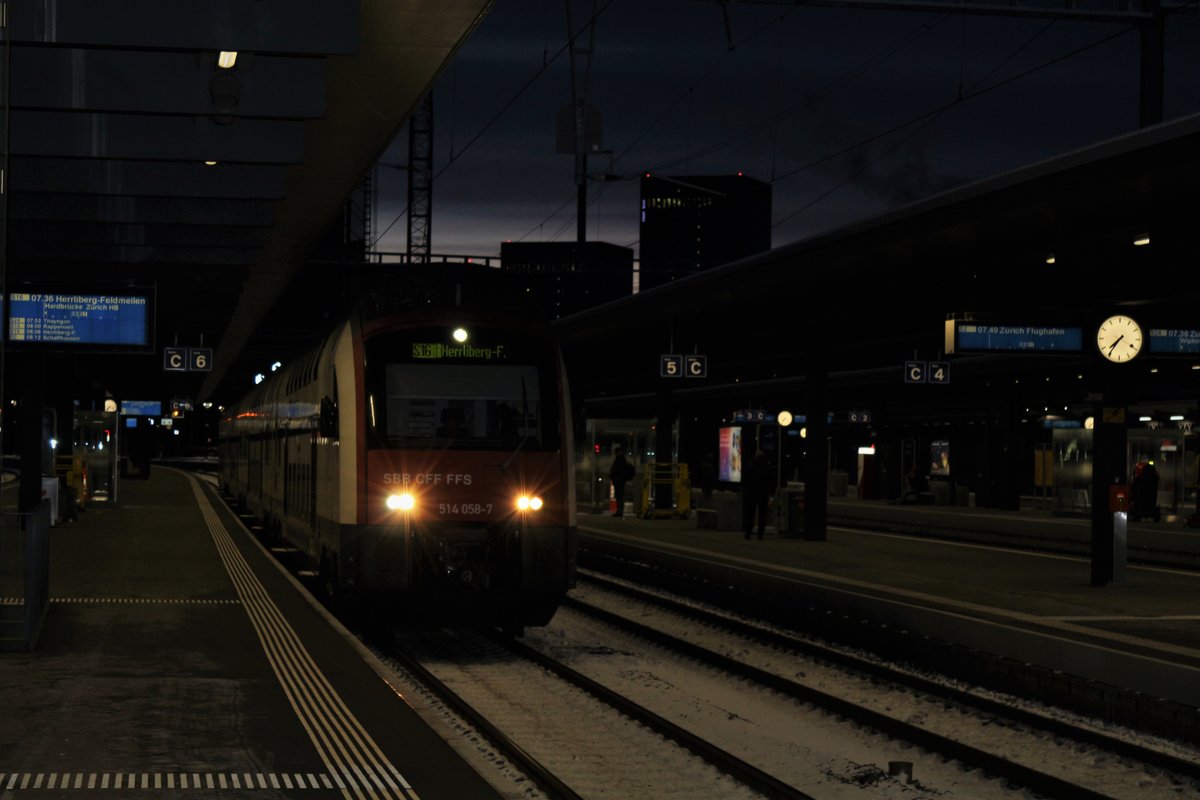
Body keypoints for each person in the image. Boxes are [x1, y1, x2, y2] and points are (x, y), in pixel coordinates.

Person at [742, 451, 772, 540]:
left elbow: (746, 479)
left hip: (752, 493)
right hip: (763, 493)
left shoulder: (751, 466)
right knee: (762, 514)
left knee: (750, 514)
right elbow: (770, 480)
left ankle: (748, 533)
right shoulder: (766, 466)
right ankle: (760, 534)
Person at [609, 446, 633, 517]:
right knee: (620, 496)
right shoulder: (622, 460)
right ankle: (619, 511)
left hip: (618, 481)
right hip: (620, 481)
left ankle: (619, 511)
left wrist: (612, 475)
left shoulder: (619, 460)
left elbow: (616, 470)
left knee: (619, 496)